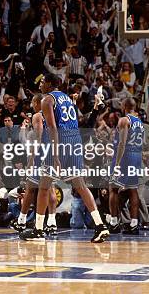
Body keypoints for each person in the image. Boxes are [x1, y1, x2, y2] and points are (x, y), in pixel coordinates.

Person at [20, 74, 109, 243]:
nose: (40, 84)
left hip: (58, 142)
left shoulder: (47, 100)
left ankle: (38, 230)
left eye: (43, 81)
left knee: (44, 186)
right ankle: (100, 225)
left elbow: (52, 127)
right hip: (74, 141)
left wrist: (55, 155)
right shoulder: (67, 99)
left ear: (51, 84)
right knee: (81, 186)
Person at [12, 94, 58, 235]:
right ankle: (51, 222)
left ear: (38, 103)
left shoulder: (38, 116)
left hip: (41, 154)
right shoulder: (53, 115)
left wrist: (31, 161)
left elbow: (38, 139)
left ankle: (21, 221)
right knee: (50, 188)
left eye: (32, 102)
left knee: (31, 187)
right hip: (52, 152)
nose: (31, 105)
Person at [109, 98, 145, 235]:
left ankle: (113, 223)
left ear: (124, 106)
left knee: (113, 188)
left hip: (125, 156)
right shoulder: (140, 122)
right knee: (133, 190)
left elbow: (122, 144)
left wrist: (117, 163)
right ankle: (134, 224)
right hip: (136, 155)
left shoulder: (124, 120)